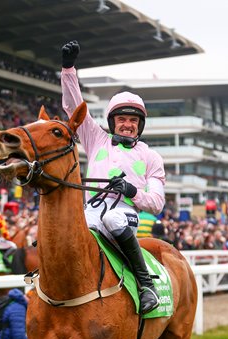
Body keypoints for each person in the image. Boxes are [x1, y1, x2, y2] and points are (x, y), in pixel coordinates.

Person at [61, 40, 166, 314]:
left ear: (140, 125)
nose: (127, 124)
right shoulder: (96, 140)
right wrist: (69, 69)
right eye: (122, 119)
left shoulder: (151, 157)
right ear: (112, 122)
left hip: (125, 214)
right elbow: (74, 106)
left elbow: (156, 203)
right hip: (89, 212)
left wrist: (131, 190)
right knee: (62, 229)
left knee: (113, 217)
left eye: (133, 121)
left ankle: (146, 286)